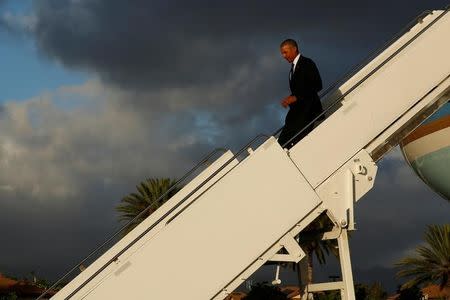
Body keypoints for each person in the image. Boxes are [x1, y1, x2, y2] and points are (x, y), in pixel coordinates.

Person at [278, 39, 323, 149]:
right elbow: (298, 91)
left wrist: (296, 97)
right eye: (282, 53)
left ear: (294, 49)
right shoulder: (292, 69)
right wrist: (291, 98)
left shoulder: (307, 63)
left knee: (288, 143)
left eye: (285, 52)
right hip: (297, 114)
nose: (284, 56)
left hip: (307, 113)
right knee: (281, 143)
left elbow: (317, 85)